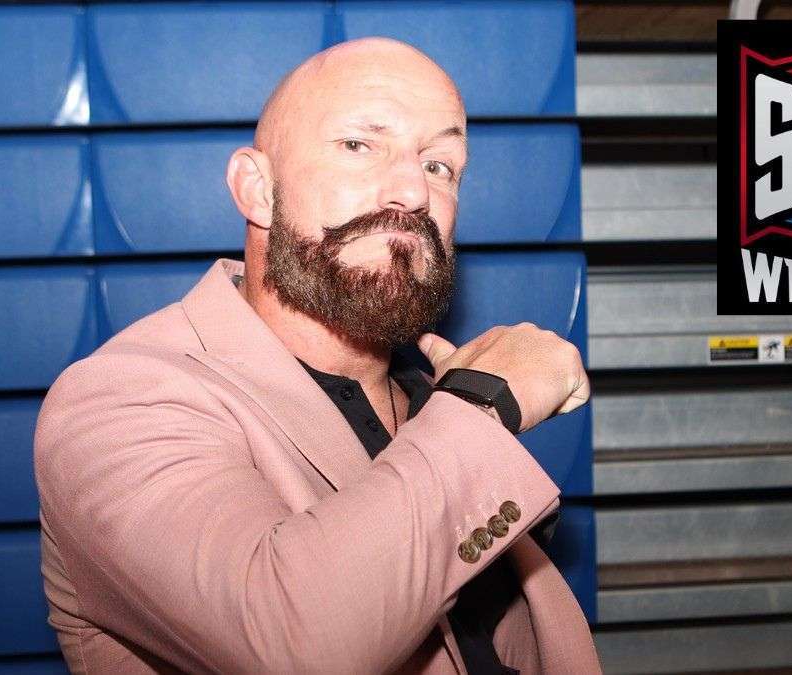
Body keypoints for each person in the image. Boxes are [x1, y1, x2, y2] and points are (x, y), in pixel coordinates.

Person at [34, 36, 599, 674]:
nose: (414, 191)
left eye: (440, 165)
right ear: (257, 191)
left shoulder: (429, 397)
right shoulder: (117, 400)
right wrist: (483, 405)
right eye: (360, 145)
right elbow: (291, 646)